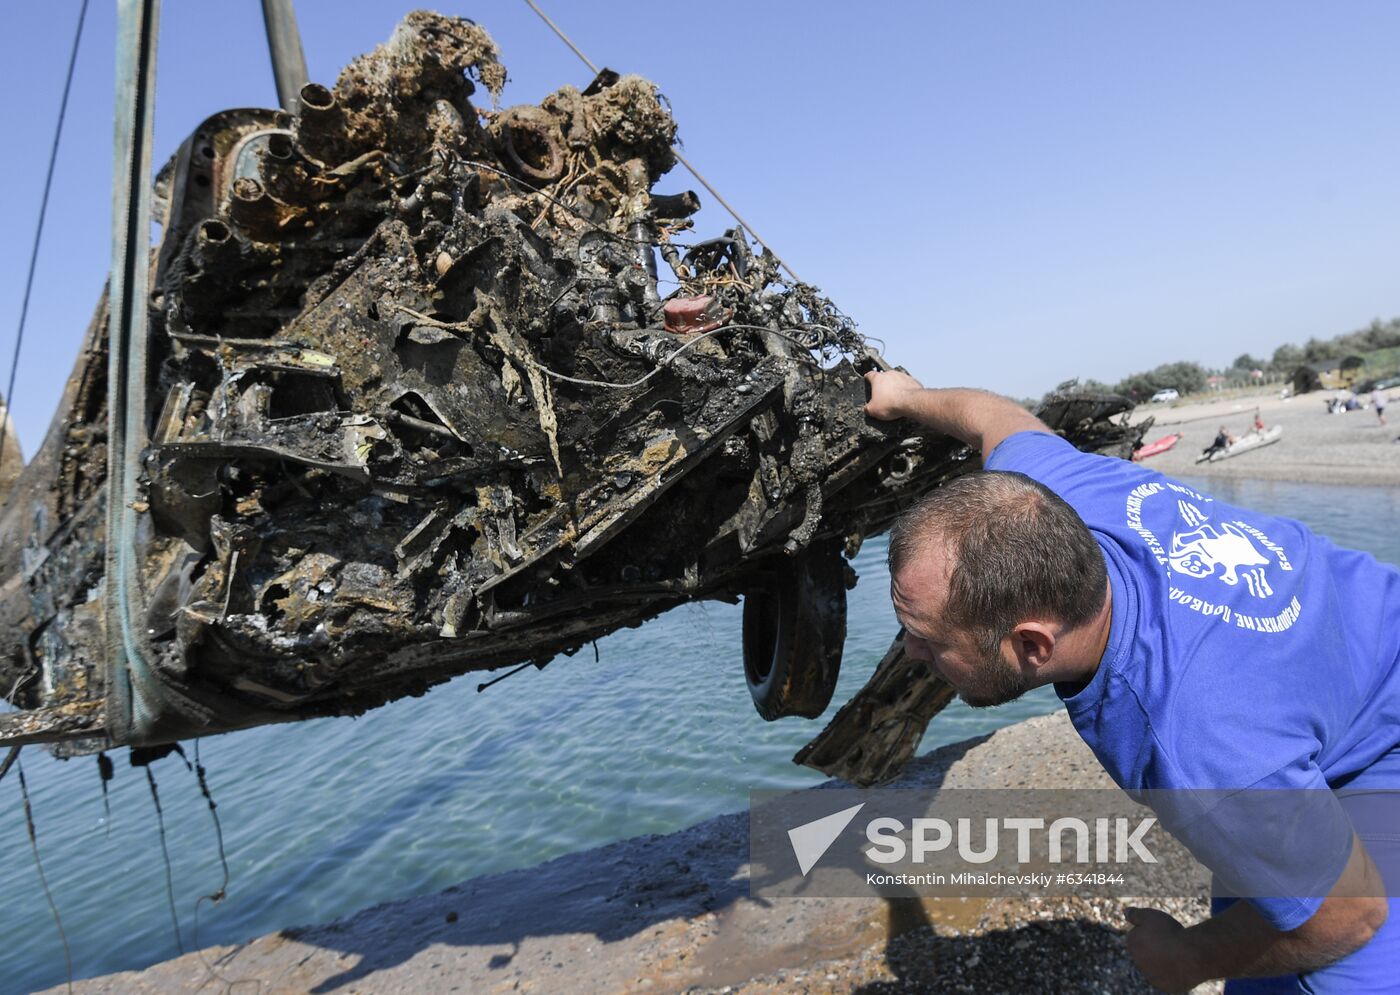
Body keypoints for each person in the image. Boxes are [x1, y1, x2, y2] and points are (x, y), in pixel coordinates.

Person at [864, 370, 1397, 994]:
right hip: (1345, 641)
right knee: (1267, 904)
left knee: (1319, 961)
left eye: (927, 638)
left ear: (1032, 644)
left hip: (1380, 732)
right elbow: (992, 415)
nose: (909, 652)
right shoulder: (1060, 494)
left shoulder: (1194, 737)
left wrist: (1184, 958)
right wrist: (906, 399)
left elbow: (1350, 915)